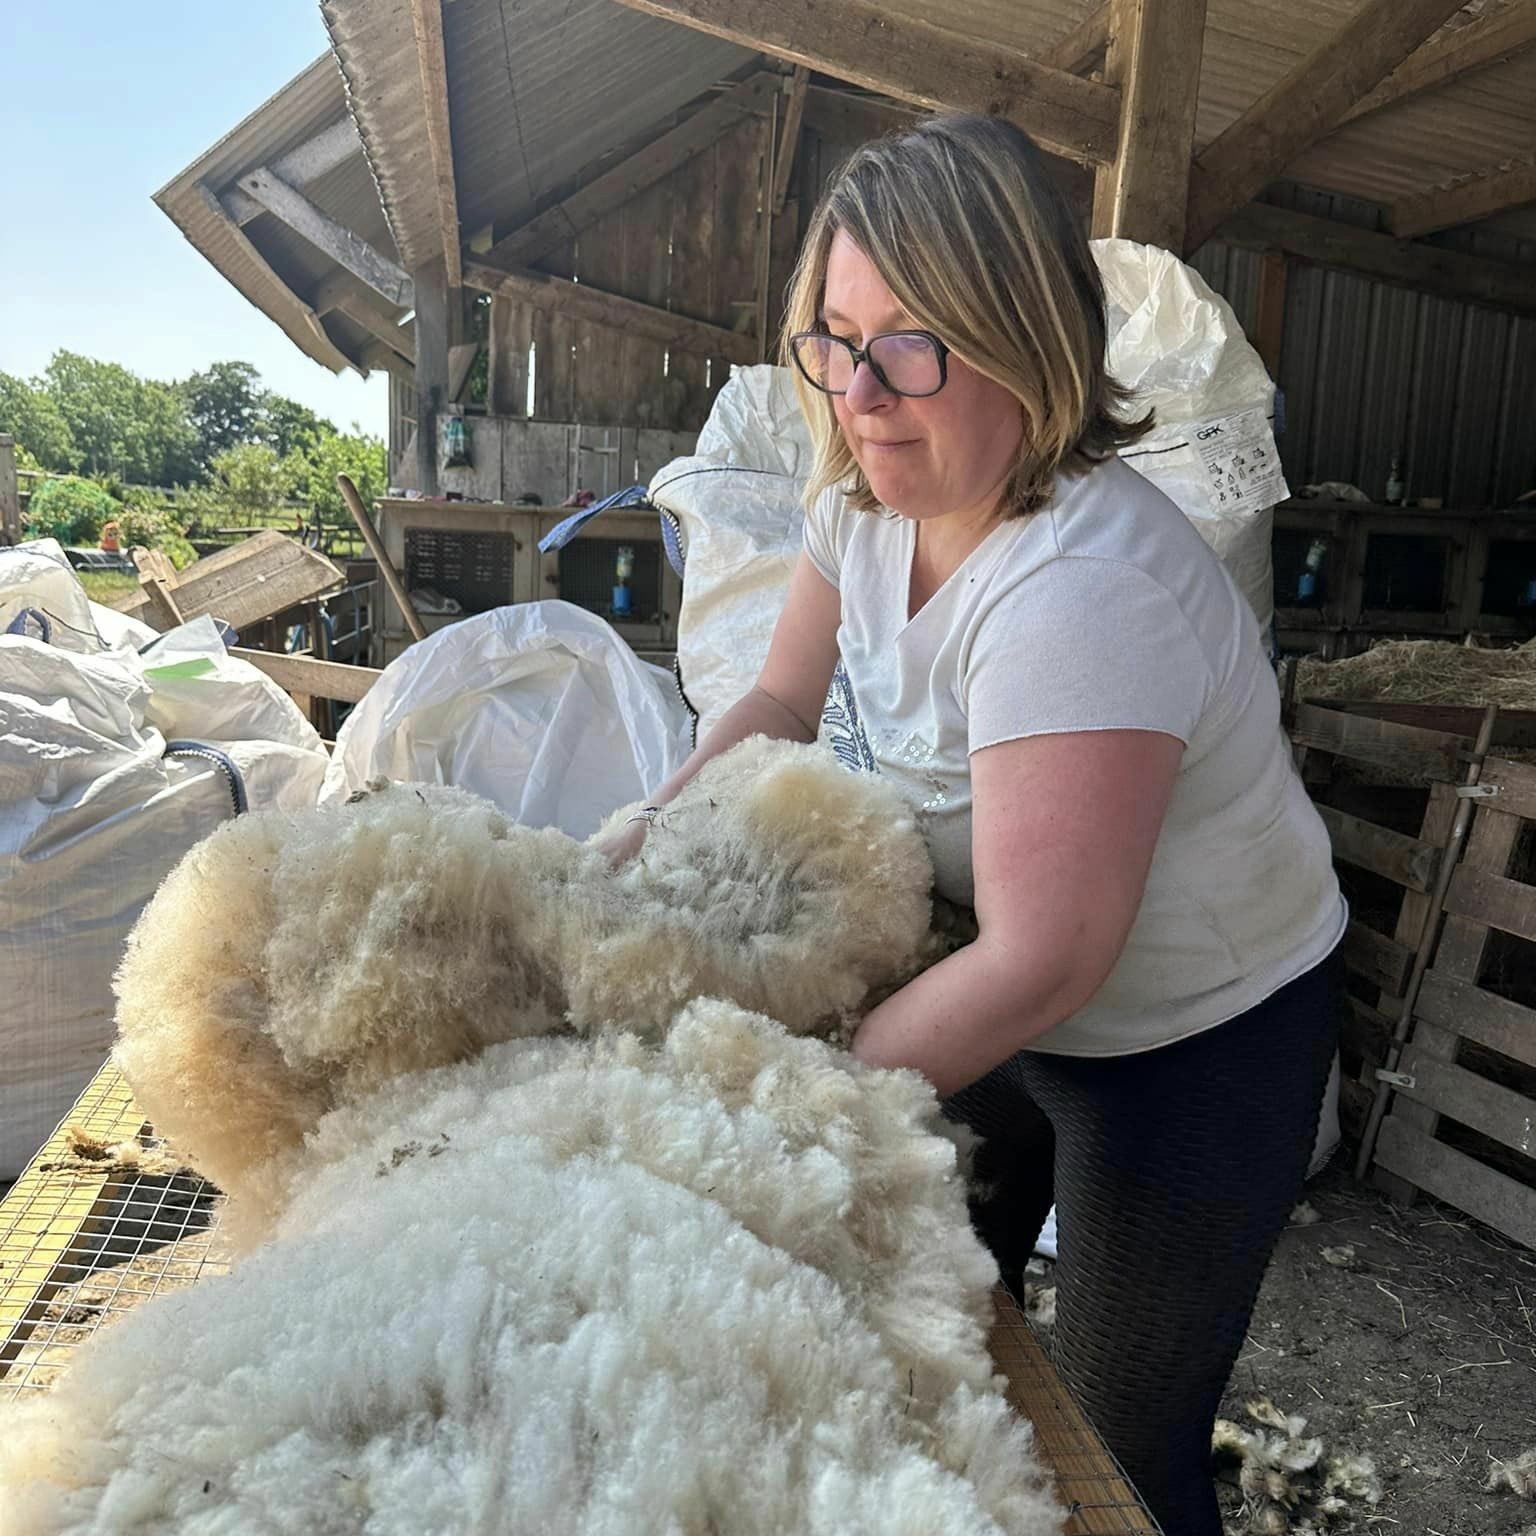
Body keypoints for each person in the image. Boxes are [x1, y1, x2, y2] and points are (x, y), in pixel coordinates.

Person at [601, 114, 1343, 1536]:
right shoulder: (860, 506)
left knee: (1122, 1447)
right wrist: (634, 840)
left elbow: (1047, 956)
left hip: (1198, 1037)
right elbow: (775, 702)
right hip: (1023, 984)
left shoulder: (1081, 588)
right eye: (835, 337)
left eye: (913, 343)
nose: (863, 392)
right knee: (908, 1321)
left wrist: (785, 1104)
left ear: (1026, 338)